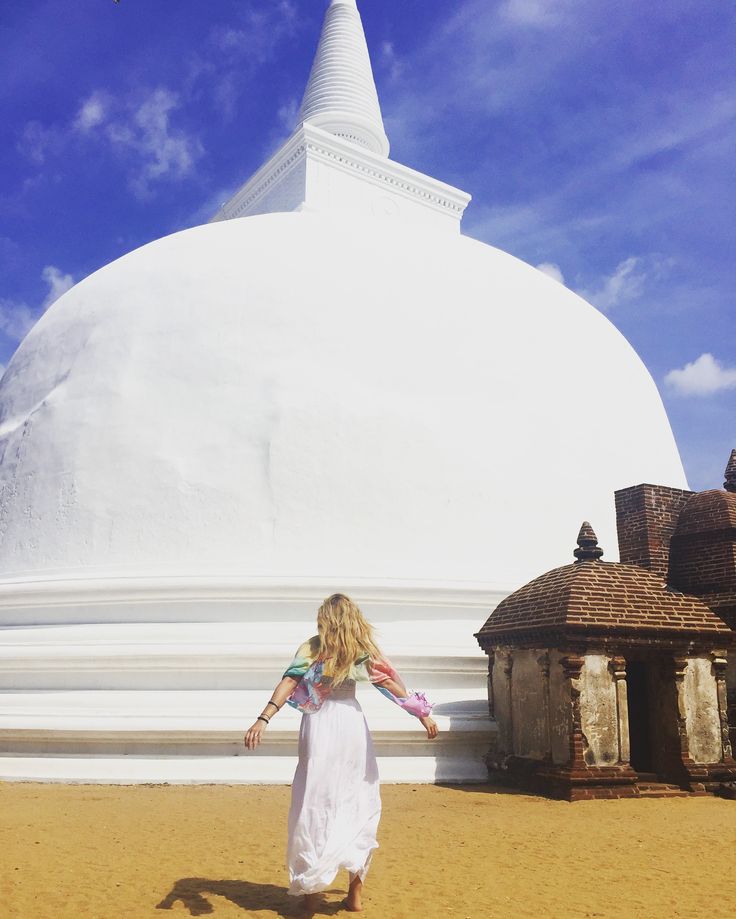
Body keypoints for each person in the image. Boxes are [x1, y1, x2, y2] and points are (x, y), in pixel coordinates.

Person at [244, 592, 438, 915]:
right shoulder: (361, 651)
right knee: (358, 802)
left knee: (314, 802)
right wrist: (424, 715)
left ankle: (311, 898)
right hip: (351, 726)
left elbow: (290, 681)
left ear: (326, 619)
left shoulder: (313, 648)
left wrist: (263, 718)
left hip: (319, 726)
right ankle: (355, 897)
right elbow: (393, 685)